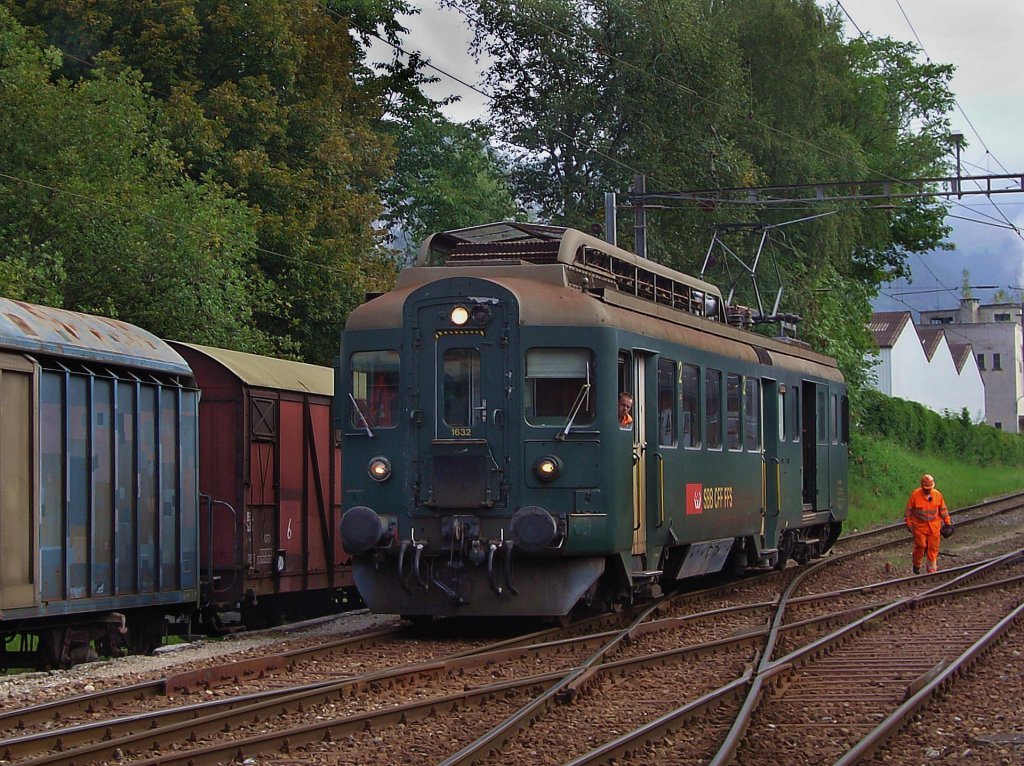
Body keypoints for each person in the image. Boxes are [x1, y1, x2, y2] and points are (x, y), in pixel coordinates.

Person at [904, 473, 952, 574]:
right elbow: (908, 512)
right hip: (919, 527)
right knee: (921, 546)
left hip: (934, 527)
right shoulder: (915, 495)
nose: (928, 490)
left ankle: (932, 570)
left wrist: (948, 524)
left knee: (933, 549)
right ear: (922, 486)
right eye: (926, 488)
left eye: (929, 488)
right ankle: (916, 564)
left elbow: (943, 510)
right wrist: (909, 524)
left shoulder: (938, 495)